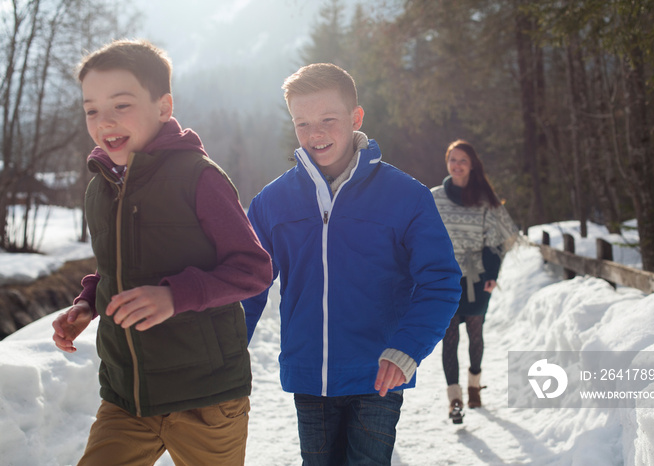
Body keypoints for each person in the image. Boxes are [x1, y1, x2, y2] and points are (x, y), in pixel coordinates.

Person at [51, 39, 272, 465]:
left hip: (205, 397)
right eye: (92, 109)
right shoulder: (100, 187)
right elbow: (113, 267)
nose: (104, 121)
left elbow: (254, 269)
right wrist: (87, 304)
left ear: (164, 106)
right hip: (127, 394)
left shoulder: (199, 177)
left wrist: (175, 295)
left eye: (121, 105)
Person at [242, 63, 462, 465]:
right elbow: (247, 284)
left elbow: (441, 282)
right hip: (309, 374)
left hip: (378, 373)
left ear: (356, 117)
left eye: (328, 119)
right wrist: (225, 352)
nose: (316, 134)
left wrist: (406, 349)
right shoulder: (272, 202)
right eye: (302, 123)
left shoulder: (406, 196)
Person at [431, 139, 519, 424]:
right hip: (444, 277)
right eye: (452, 159)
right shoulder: (434, 198)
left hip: (477, 277)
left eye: (463, 161)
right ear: (447, 162)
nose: (457, 165)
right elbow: (422, 235)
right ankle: (455, 399)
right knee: (449, 337)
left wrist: (492, 274)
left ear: (472, 165)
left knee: (475, 333)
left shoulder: (484, 201)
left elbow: (498, 240)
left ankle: (474, 385)